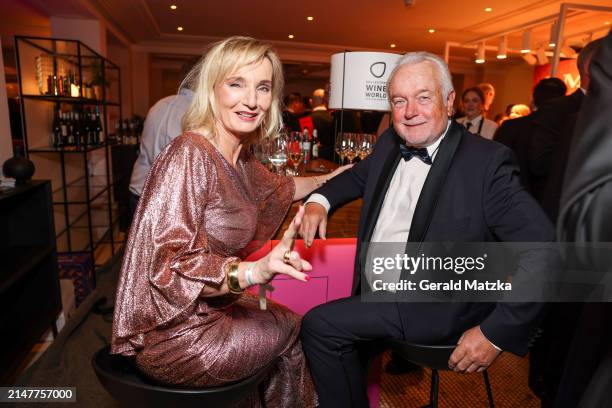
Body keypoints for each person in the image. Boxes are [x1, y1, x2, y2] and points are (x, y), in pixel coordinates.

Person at [298, 52, 554, 407]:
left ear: (449, 101)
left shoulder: (486, 162)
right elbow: (354, 177)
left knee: (319, 327)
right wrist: (318, 202)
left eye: (423, 97)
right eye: (399, 101)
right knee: (343, 346)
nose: (409, 111)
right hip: (379, 290)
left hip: (434, 303)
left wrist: (495, 332)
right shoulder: (390, 142)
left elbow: (544, 250)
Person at [111, 36, 348, 407]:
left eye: (263, 87)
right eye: (236, 84)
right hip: (177, 335)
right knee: (293, 330)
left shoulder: (240, 158)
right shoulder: (190, 153)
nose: (251, 100)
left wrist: (335, 180)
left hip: (213, 309)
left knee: (291, 322)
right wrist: (252, 273)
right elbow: (170, 268)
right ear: (212, 89)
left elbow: (281, 188)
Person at [127, 58, 199, 226]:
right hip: (162, 201)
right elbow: (182, 164)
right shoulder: (193, 112)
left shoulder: (160, 104)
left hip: (138, 192)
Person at [494, 77, 567, 196]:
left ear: (533, 99)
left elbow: (496, 164)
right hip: (549, 201)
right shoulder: (568, 129)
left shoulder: (510, 126)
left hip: (511, 197)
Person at [308, 88, 334, 160]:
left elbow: (307, 144)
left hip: (315, 159)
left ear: (313, 100)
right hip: (333, 159)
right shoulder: (334, 117)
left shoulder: (307, 119)